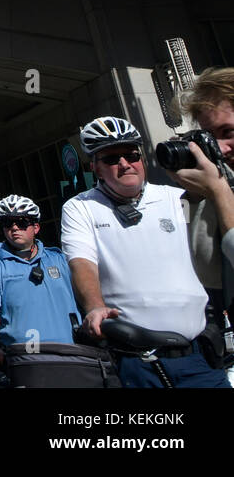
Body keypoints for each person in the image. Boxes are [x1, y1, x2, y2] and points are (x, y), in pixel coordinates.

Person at [62, 116, 229, 388]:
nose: (125, 164)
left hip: (199, 355)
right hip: (138, 363)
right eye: (112, 159)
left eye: (131, 155)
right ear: (94, 167)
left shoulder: (177, 197)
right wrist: (94, 307)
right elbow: (82, 262)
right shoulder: (80, 207)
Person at [0, 195, 80, 368]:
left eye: (22, 223)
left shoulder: (60, 259)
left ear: (36, 227)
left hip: (70, 353)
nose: (15, 228)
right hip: (25, 359)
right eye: (8, 223)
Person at [171, 67, 234, 275]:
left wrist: (219, 192)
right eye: (210, 137)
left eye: (228, 132)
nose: (221, 148)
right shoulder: (223, 180)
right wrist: (194, 195)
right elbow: (207, 269)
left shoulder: (221, 188)